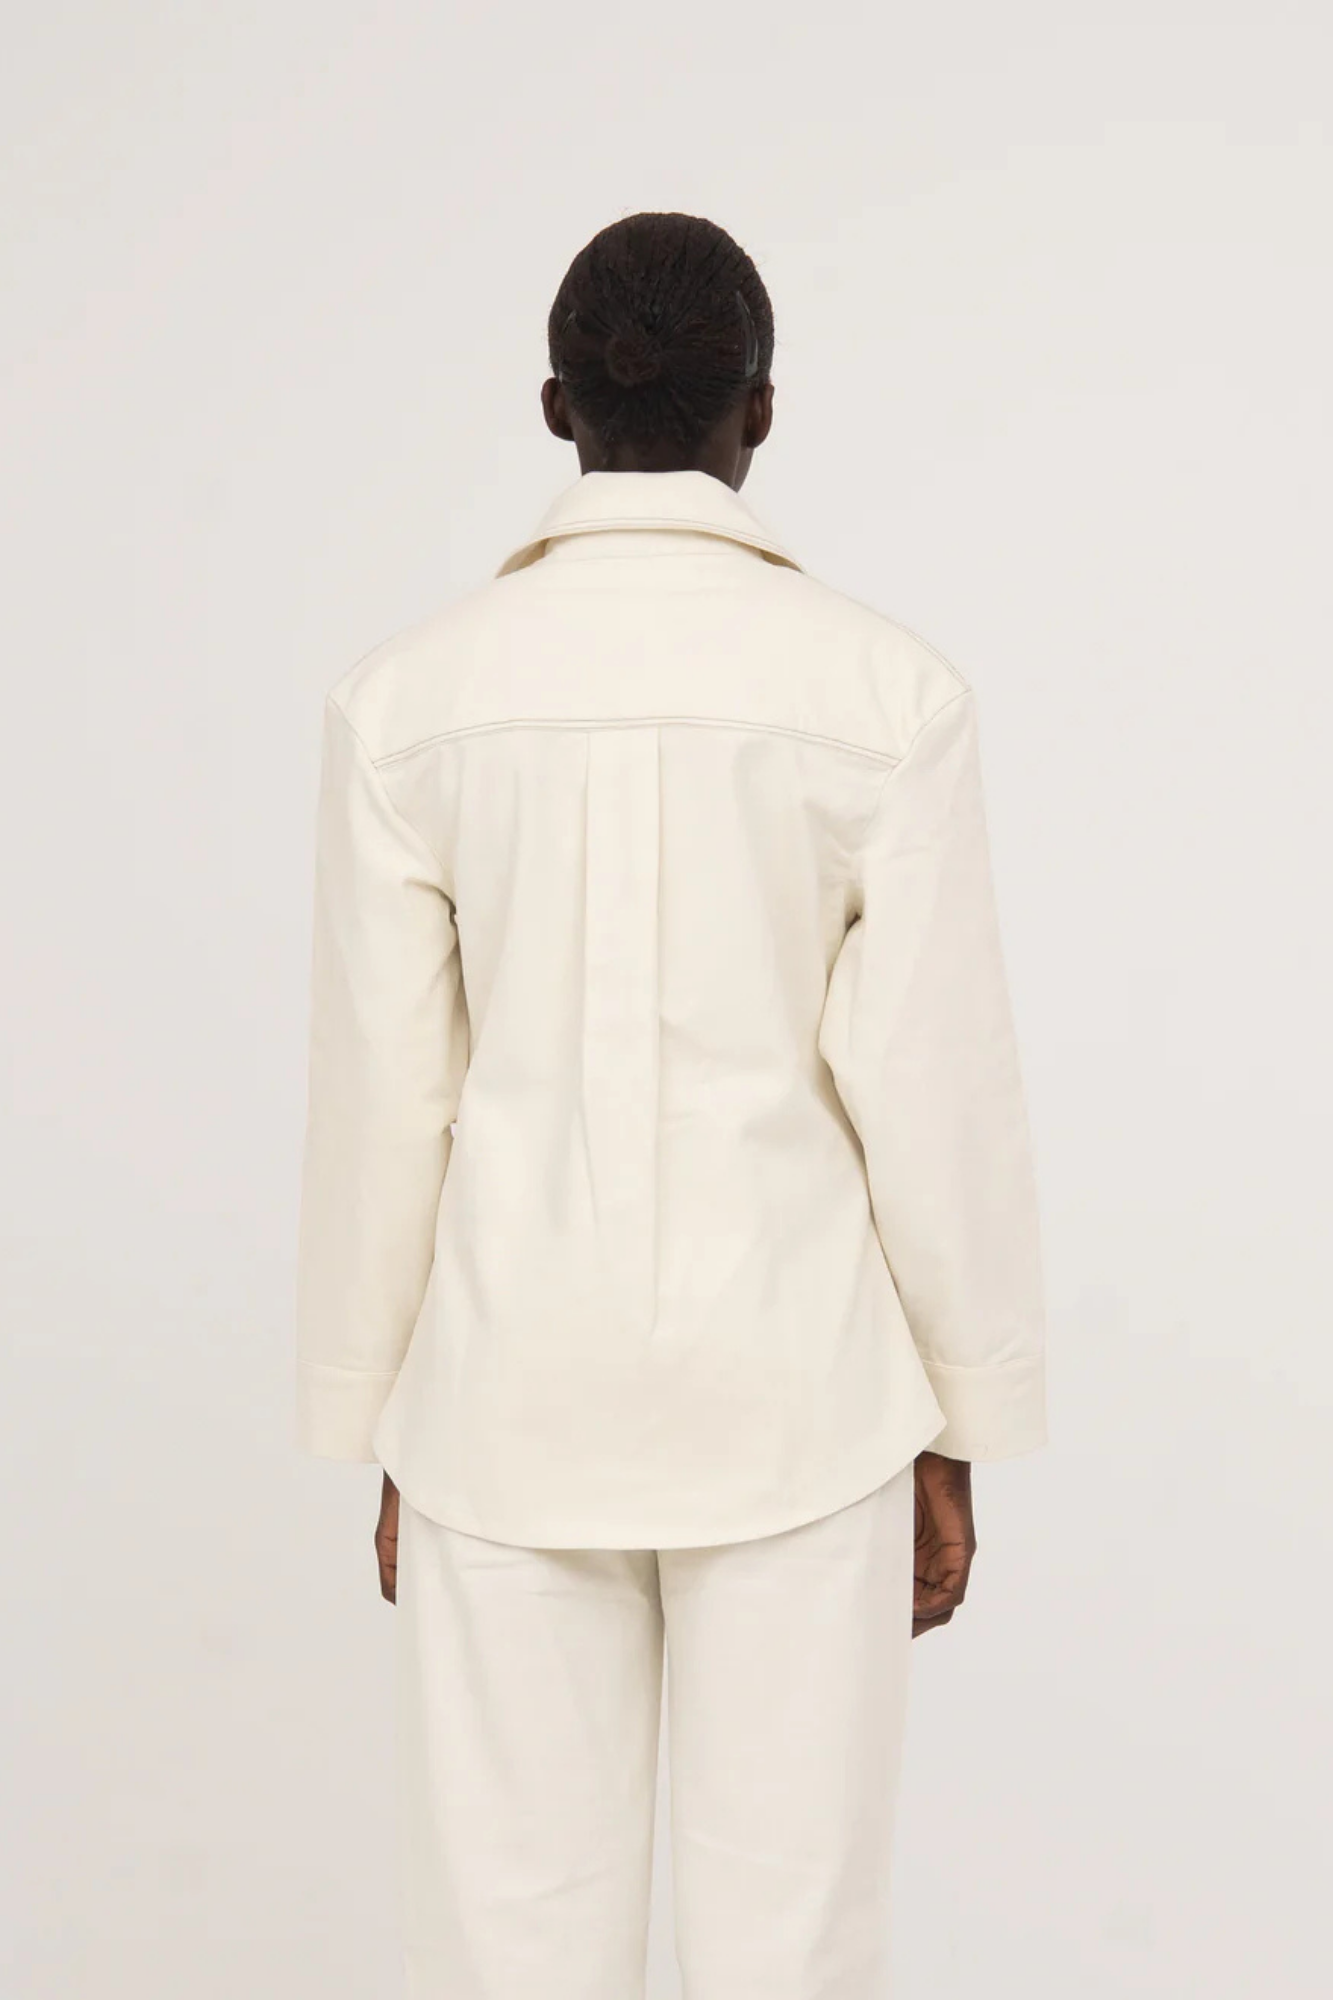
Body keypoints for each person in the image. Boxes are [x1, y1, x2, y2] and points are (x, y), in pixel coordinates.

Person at [295, 210, 1047, 2000]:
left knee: (508, 1947)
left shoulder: (406, 703)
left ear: (556, 406)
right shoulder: (887, 696)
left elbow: (388, 1100)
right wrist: (961, 1417)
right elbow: (930, 1090)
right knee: (792, 1948)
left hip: (503, 1396)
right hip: (804, 1393)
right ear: (760, 410)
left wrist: (379, 1417)